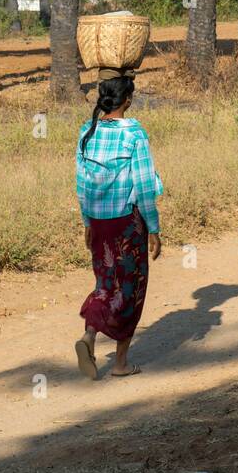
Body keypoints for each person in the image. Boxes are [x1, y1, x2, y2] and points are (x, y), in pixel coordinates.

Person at [74, 74, 163, 380]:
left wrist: (86, 220)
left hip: (98, 222)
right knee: (130, 288)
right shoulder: (134, 134)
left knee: (104, 282)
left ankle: (88, 338)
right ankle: (121, 363)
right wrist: (153, 228)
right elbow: (144, 184)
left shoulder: (88, 130)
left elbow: (82, 183)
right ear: (128, 100)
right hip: (127, 224)